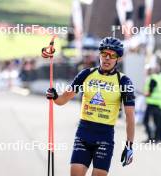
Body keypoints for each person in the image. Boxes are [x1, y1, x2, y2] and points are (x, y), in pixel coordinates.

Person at [44, 37, 135, 176]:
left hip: (105, 135)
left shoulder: (123, 81)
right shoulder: (86, 74)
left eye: (112, 55)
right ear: (99, 55)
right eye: (104, 54)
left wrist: (129, 145)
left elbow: (130, 116)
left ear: (118, 59)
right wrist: (54, 96)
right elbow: (62, 100)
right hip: (84, 132)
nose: (107, 58)